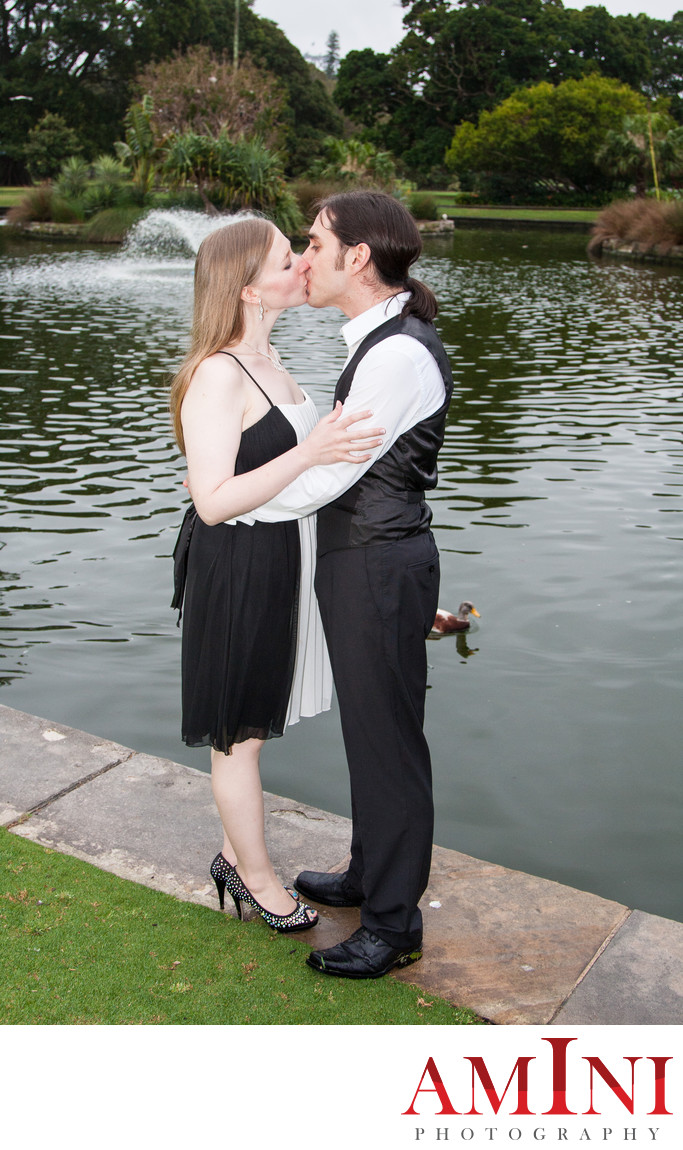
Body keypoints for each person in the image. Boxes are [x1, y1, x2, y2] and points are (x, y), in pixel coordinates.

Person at [240, 190, 453, 977]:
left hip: (374, 561)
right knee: (371, 730)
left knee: (386, 742)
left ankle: (393, 925)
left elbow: (328, 476)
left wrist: (235, 509)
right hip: (369, 562)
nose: (303, 255)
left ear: (356, 257)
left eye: (315, 242)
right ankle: (370, 874)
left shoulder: (396, 353)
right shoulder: (379, 339)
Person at [169, 217, 384, 934]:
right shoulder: (215, 375)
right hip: (234, 565)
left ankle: (237, 854)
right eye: (286, 259)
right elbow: (214, 499)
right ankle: (256, 879)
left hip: (279, 558)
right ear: (247, 288)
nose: (300, 267)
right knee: (239, 734)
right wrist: (309, 451)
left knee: (256, 718)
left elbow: (302, 485)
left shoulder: (277, 366)